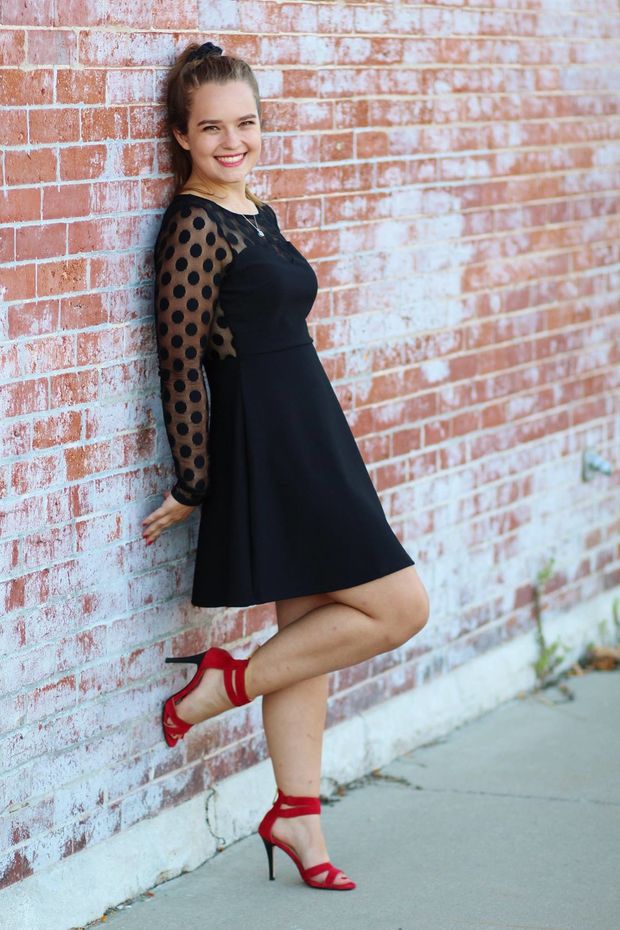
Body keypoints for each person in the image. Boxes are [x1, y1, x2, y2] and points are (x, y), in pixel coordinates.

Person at [142, 40, 430, 891]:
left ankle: (297, 817)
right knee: (398, 605)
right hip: (269, 442)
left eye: (246, 123)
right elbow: (179, 359)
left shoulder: (251, 208)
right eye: (212, 127)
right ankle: (224, 681)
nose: (233, 140)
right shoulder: (193, 223)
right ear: (181, 135)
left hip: (310, 425)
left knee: (309, 637)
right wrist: (194, 479)